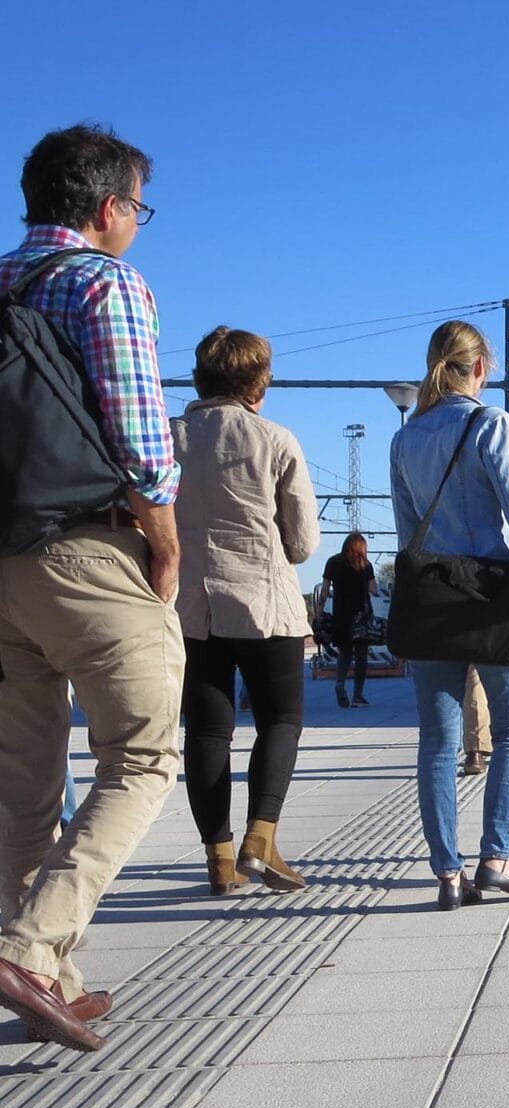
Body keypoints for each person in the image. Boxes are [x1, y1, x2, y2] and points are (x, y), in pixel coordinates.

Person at [0, 124, 182, 1051]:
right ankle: (30, 951)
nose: (137, 226)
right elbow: (143, 445)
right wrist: (165, 542)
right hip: (84, 555)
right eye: (138, 209)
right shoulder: (103, 283)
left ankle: (51, 982)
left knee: (24, 787)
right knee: (144, 757)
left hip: (0, 563)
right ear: (109, 207)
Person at [390, 321, 509, 911]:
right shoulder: (491, 424)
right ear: (481, 368)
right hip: (497, 598)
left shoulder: (405, 438)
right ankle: (497, 859)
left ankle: (447, 875)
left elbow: (407, 531)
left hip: (434, 596)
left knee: (437, 742)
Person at [171, 327, 319, 896]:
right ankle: (263, 838)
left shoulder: (169, 438)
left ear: (200, 376)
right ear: (259, 382)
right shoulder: (275, 439)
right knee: (280, 720)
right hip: (264, 603)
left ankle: (219, 859)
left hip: (191, 609)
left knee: (207, 732)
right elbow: (303, 542)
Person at [320, 533, 376, 707]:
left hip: (341, 615)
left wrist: (319, 611)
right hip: (361, 616)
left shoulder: (333, 562)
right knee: (361, 657)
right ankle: (358, 695)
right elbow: (373, 589)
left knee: (344, 654)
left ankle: (340, 684)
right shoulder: (365, 565)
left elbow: (324, 590)